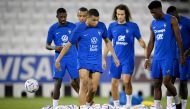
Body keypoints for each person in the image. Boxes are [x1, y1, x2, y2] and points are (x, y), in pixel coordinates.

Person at [55, 8, 120, 106]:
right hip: (83, 60)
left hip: (96, 60)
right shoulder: (79, 29)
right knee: (83, 83)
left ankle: (88, 105)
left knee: (93, 89)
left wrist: (114, 57)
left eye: (97, 20)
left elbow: (107, 41)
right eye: (94, 20)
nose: (96, 22)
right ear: (88, 18)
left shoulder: (101, 26)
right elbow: (68, 45)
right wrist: (58, 60)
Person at [102, 4, 146, 108]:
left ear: (126, 14)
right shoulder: (112, 26)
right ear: (116, 14)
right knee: (114, 83)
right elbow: (108, 43)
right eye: (118, 14)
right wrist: (103, 57)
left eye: (122, 14)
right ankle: (116, 105)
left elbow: (140, 40)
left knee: (126, 81)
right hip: (115, 60)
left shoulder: (133, 26)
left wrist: (142, 44)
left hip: (128, 59)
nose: (120, 16)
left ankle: (128, 104)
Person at [144, 1, 185, 109]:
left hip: (169, 57)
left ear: (159, 9)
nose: (152, 15)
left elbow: (178, 39)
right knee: (156, 84)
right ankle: (157, 106)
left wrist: (181, 55)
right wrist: (147, 58)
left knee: (166, 82)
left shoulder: (172, 20)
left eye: (153, 12)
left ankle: (177, 101)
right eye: (150, 13)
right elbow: (151, 42)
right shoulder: (153, 24)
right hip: (157, 58)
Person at [46, 8, 79, 109]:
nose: (63, 19)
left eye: (65, 16)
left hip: (72, 57)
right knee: (58, 83)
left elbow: (77, 41)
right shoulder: (53, 28)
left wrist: (79, 55)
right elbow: (47, 45)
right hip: (59, 59)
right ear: (57, 17)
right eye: (61, 17)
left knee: (78, 81)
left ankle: (85, 104)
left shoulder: (73, 26)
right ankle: (55, 107)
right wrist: (55, 47)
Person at [166, 6, 190, 109]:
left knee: (183, 82)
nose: (171, 18)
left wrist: (187, 52)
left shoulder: (187, 22)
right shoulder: (170, 24)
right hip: (173, 57)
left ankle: (183, 106)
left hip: (185, 57)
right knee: (169, 80)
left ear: (175, 12)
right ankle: (169, 105)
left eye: (172, 15)